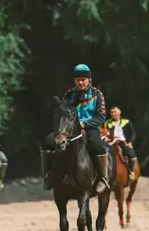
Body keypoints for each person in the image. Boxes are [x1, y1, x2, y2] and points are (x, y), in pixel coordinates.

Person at [40, 63, 111, 194]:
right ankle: (47, 175)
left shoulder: (97, 94)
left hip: (90, 128)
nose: (81, 83)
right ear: (75, 80)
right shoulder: (68, 94)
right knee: (48, 142)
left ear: (89, 80)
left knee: (97, 145)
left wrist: (85, 124)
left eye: (83, 80)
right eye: (78, 80)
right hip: (69, 129)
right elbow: (63, 112)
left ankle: (103, 178)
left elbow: (101, 117)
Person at [101, 105, 138, 181]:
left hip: (122, 142)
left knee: (131, 153)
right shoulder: (107, 123)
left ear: (119, 112)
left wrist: (130, 142)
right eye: (111, 112)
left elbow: (133, 133)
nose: (113, 114)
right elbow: (104, 133)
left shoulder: (126, 122)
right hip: (110, 142)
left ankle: (131, 172)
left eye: (115, 112)